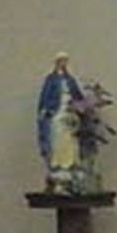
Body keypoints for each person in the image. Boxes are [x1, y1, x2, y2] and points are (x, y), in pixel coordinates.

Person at [37, 53, 86, 190]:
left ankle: (71, 166)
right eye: (61, 61)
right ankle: (59, 166)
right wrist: (45, 110)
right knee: (58, 137)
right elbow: (45, 97)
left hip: (70, 113)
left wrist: (80, 106)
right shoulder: (51, 80)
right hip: (56, 112)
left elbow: (78, 96)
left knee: (71, 139)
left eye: (65, 61)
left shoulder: (70, 80)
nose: (63, 64)